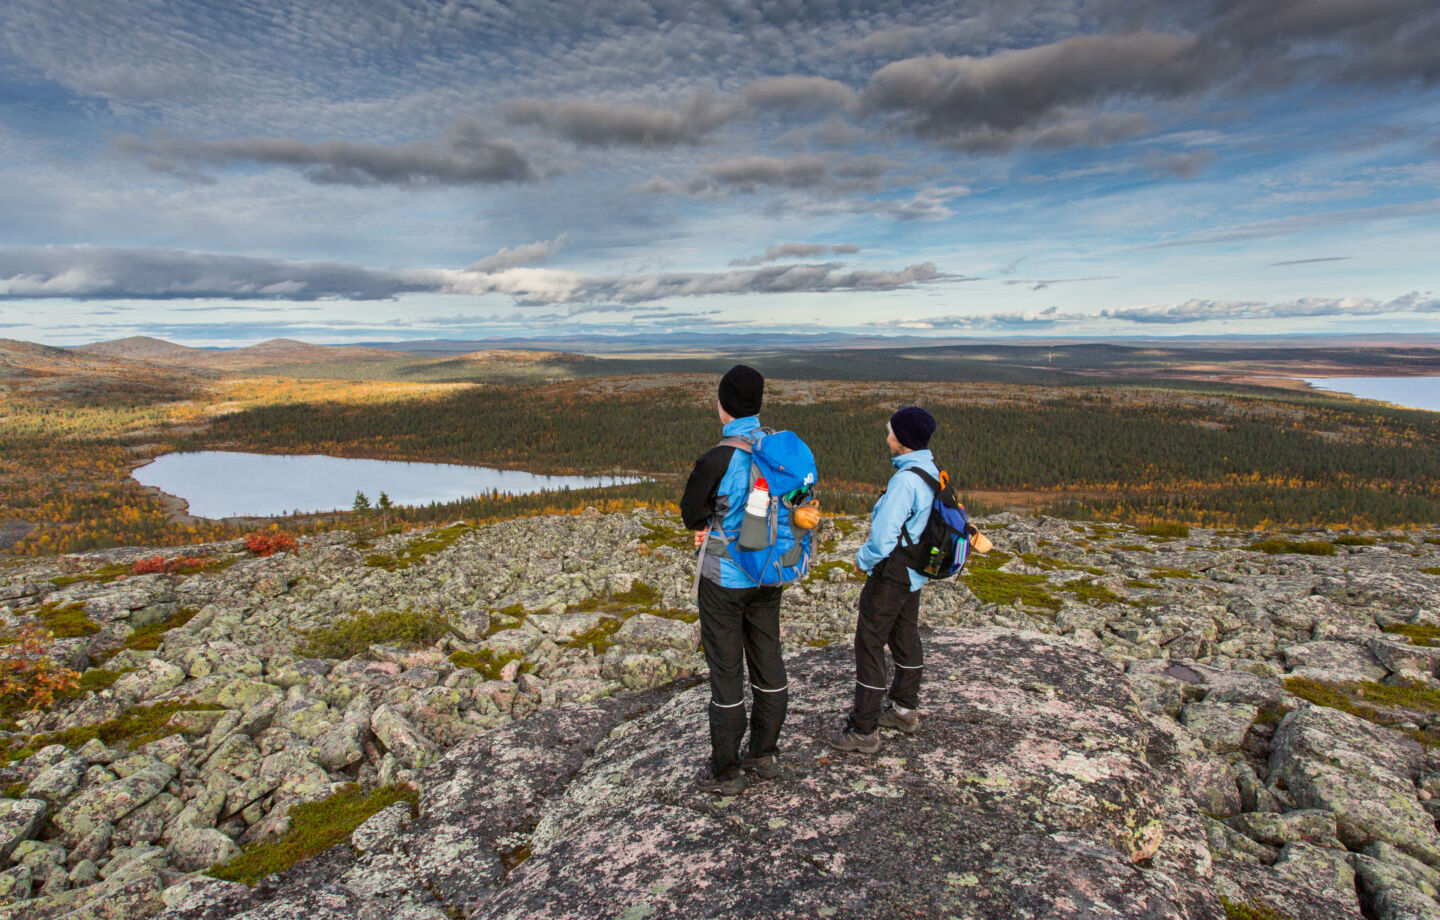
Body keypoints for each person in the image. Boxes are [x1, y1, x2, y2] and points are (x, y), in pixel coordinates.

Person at [681, 365, 788, 794]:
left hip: (724, 578)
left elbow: (691, 512)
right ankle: (764, 754)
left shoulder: (718, 458)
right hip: (769, 574)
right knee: (768, 657)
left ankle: (725, 771)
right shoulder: (778, 450)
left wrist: (709, 521)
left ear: (723, 405)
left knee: (727, 671)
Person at [830, 406, 938, 754]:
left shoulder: (905, 480)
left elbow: (883, 538)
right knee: (905, 635)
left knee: (869, 643)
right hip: (914, 574)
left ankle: (864, 730)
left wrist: (862, 561)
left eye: (891, 430)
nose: (886, 434)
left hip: (891, 574)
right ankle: (904, 710)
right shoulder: (928, 470)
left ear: (903, 441)